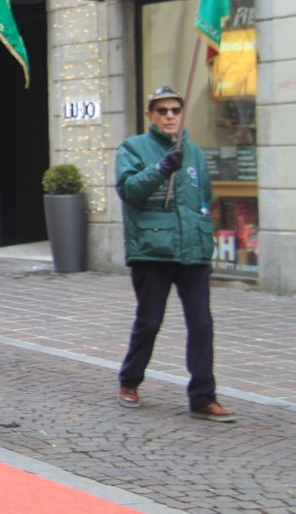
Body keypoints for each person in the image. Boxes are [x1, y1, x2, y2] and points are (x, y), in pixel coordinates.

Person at [115, 85, 235, 423]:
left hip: (192, 251)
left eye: (175, 111)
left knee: (202, 324)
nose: (170, 116)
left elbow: (204, 196)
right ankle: (130, 379)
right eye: (163, 111)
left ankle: (203, 397)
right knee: (149, 322)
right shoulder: (133, 148)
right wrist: (162, 168)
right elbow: (130, 191)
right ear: (151, 115)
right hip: (153, 251)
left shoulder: (194, 152)